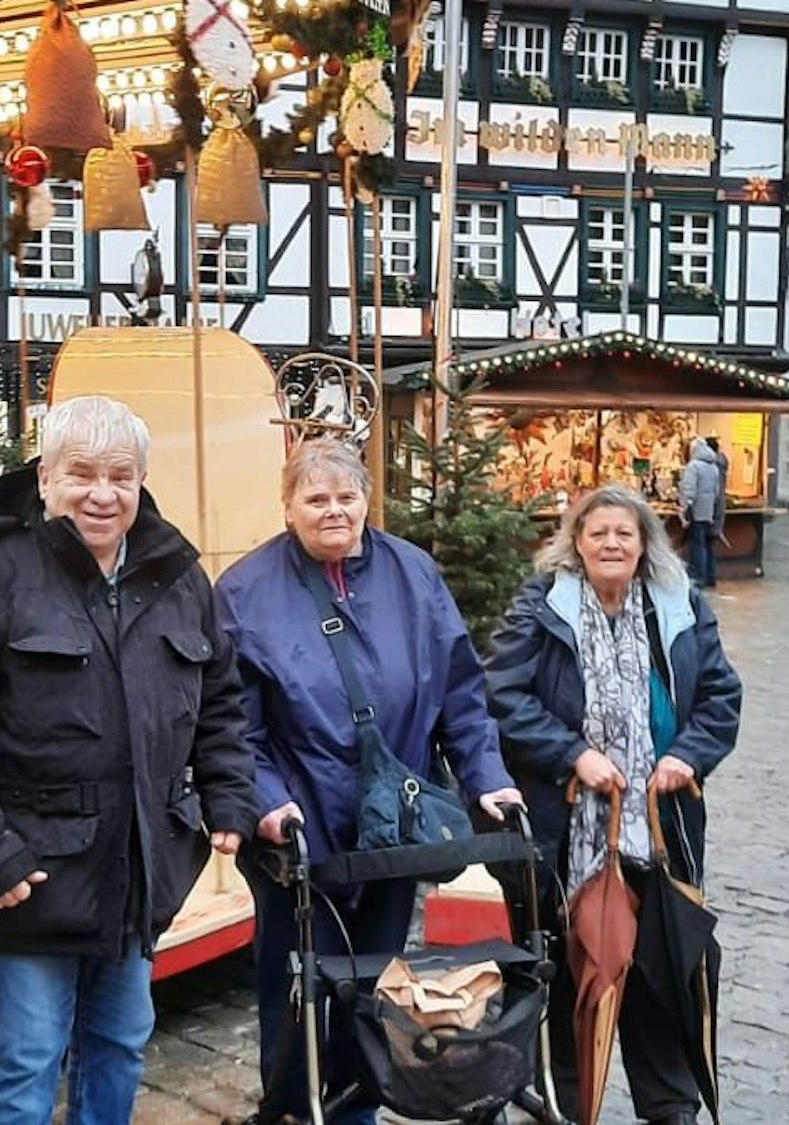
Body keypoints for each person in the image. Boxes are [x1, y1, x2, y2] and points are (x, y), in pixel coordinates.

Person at [0, 396, 256, 1125]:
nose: (102, 493)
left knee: (119, 1044)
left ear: (142, 479)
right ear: (46, 476)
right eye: (81, 473)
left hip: (137, 868)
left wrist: (229, 793)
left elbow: (219, 697)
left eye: (120, 475)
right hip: (27, 875)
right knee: (26, 1060)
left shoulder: (175, 572)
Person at [215, 438, 523, 1125]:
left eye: (346, 497)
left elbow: (460, 695)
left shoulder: (414, 574)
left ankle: (357, 1106)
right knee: (297, 983)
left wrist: (488, 778)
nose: (333, 511)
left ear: (366, 500)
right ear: (287, 504)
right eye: (315, 498)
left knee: (376, 976)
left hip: (392, 826)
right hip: (298, 825)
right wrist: (267, 802)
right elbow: (233, 724)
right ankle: (295, 1105)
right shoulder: (244, 591)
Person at [484, 483, 742, 1125]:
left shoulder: (679, 607)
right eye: (597, 532)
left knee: (662, 975)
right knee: (573, 973)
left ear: (644, 542)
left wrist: (687, 755)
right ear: (575, 541)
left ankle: (670, 1107)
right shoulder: (542, 607)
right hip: (564, 827)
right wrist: (570, 752)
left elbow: (720, 696)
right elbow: (503, 694)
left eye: (624, 533)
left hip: (661, 828)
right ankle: (567, 1106)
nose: (611, 543)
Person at [678, 436, 721, 586]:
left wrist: (684, 507)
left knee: (697, 545)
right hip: (708, 511)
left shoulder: (693, 466)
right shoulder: (713, 467)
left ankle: (698, 576)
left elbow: (689, 489)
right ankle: (711, 575)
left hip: (696, 511)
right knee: (708, 544)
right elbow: (716, 492)